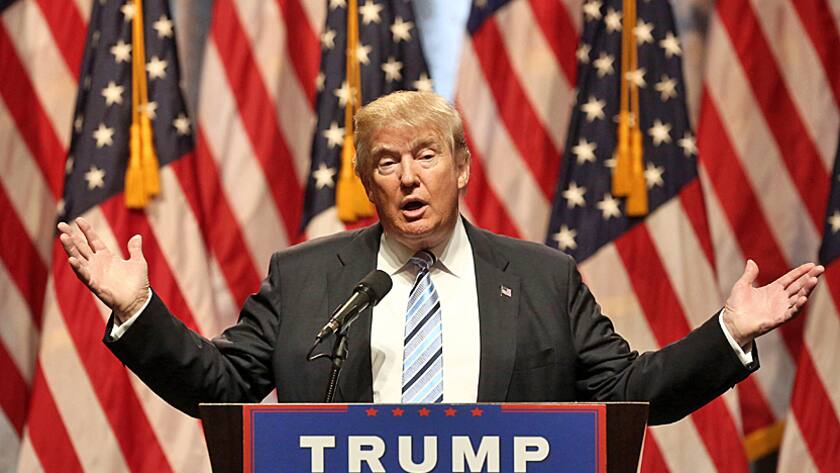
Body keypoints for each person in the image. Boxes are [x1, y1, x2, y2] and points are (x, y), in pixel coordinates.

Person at [58, 91, 823, 424]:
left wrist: (728, 331)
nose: (409, 176)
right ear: (367, 183)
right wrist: (136, 310)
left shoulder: (542, 277)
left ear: (461, 167)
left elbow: (629, 390)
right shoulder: (305, 276)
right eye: (386, 162)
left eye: (426, 155)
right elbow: (220, 389)